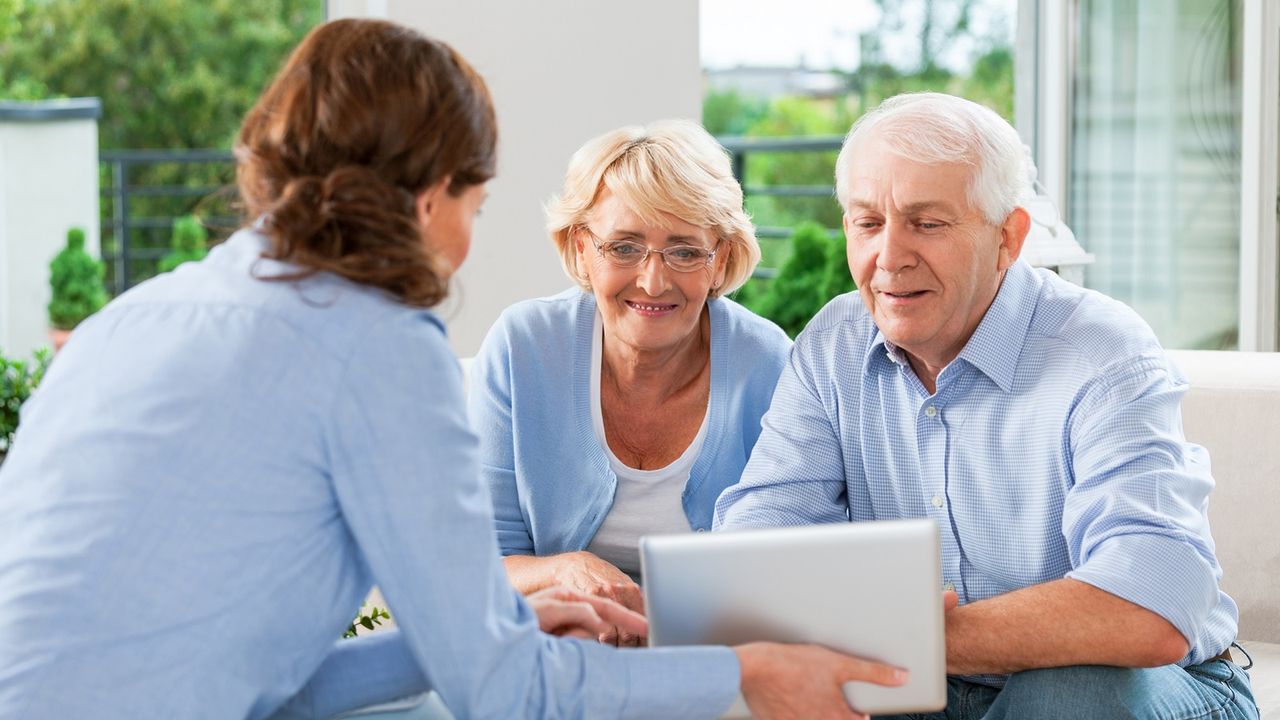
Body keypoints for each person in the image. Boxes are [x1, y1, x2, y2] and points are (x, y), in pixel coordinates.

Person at [0, 18, 908, 720]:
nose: (467, 239)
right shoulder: (377, 348)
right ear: (431, 194)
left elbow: (275, 682)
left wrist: (498, 630)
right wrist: (745, 670)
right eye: (474, 201)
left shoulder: (137, 316)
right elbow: (506, 697)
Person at [714, 92, 1260, 720]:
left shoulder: (1103, 351)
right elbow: (756, 545)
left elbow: (1154, 599)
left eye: (927, 223)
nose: (889, 257)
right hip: (920, 688)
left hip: (1138, 685)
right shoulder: (835, 341)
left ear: (1008, 237)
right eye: (867, 223)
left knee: (1065, 696)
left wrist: (907, 638)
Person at [469, 120, 790, 644]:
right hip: (563, 651)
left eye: (684, 251)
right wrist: (562, 569)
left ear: (721, 260)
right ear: (581, 249)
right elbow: (482, 561)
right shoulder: (521, 346)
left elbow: (788, 562)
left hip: (718, 653)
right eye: (623, 247)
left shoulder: (769, 361)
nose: (653, 280)